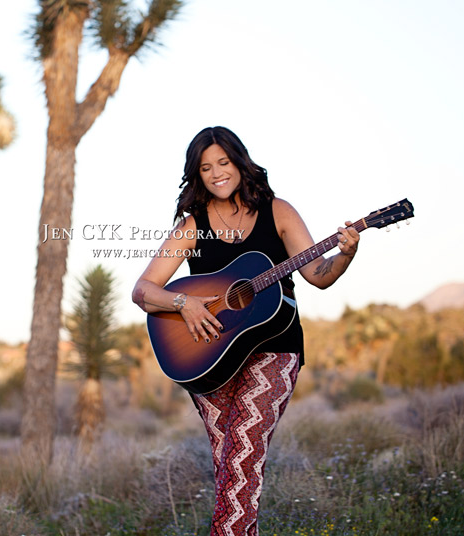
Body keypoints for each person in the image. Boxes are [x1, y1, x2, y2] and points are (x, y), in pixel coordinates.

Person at [131, 126, 359, 536]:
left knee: (242, 459)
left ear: (240, 162)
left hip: (274, 348)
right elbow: (143, 290)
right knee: (230, 467)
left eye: (223, 162)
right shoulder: (191, 227)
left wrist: (345, 255)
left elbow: (318, 276)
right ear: (197, 175)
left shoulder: (279, 212)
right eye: (206, 167)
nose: (217, 173)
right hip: (209, 356)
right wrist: (185, 303)